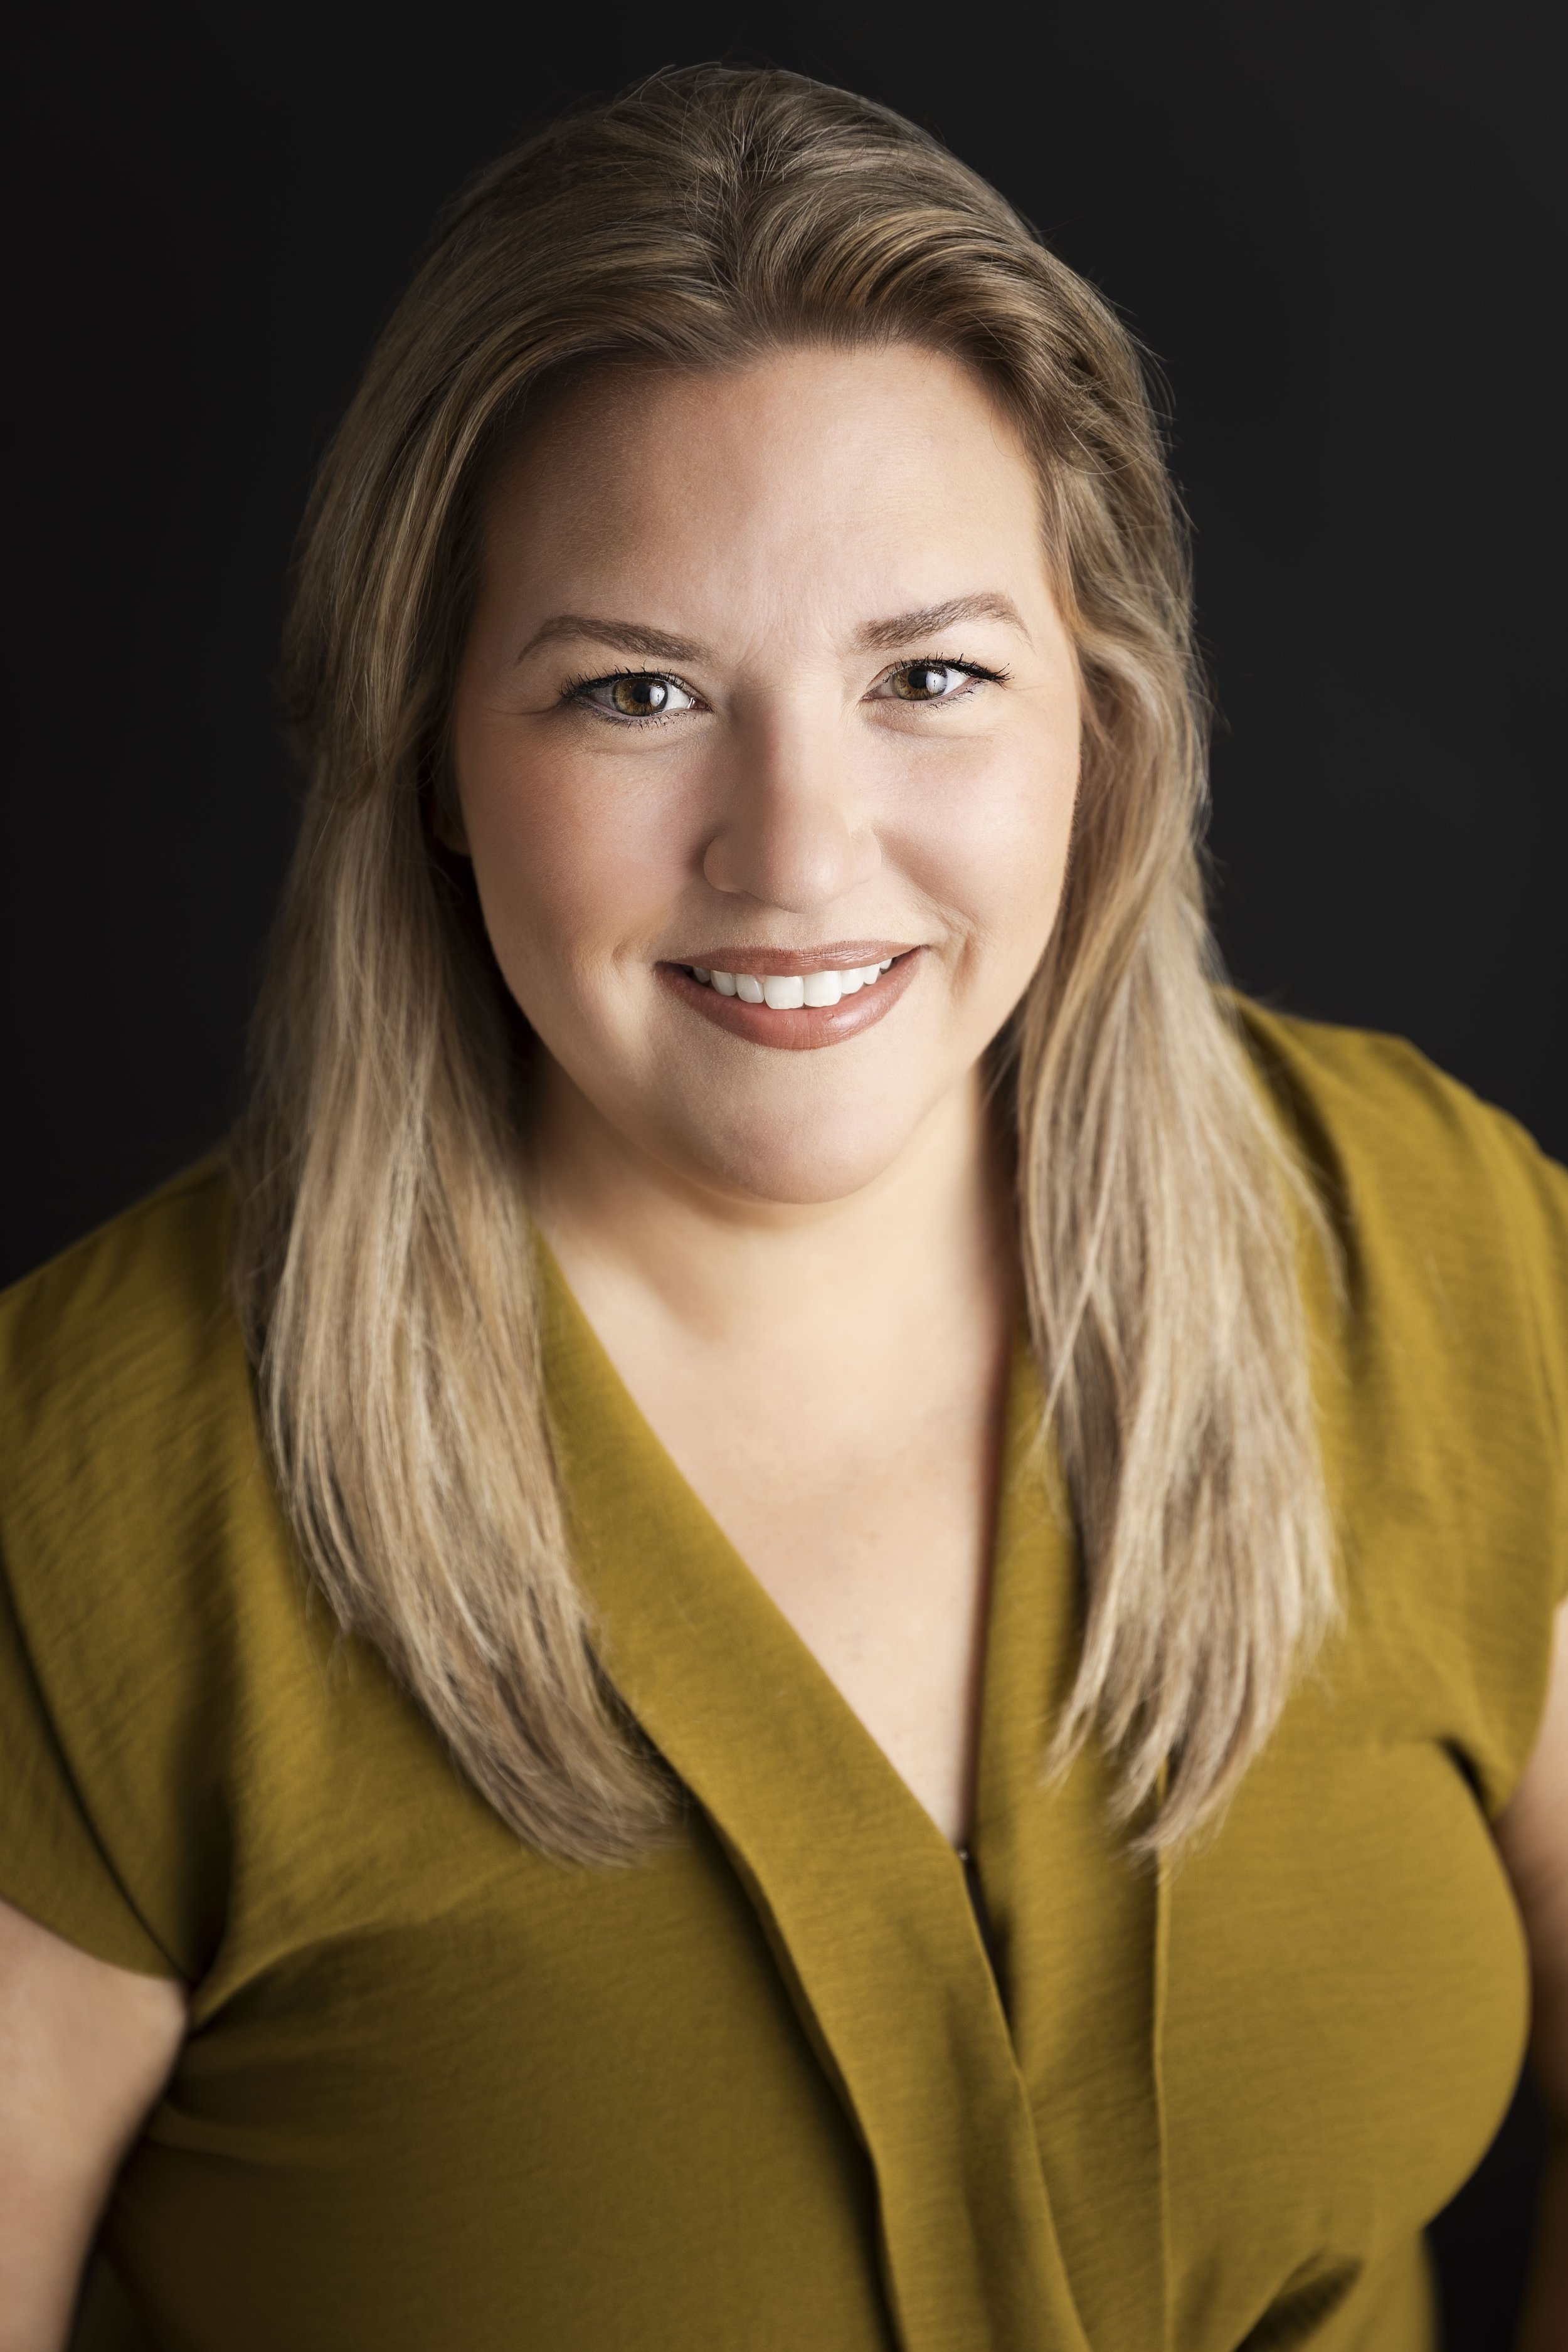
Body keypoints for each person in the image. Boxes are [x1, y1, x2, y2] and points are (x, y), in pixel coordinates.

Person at [1, 63, 1564, 2352]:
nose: (797, 850)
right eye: (634, 693)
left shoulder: (1433, 1247)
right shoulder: (88, 1498)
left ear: (1100, 724)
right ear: (433, 752)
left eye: (928, 676)